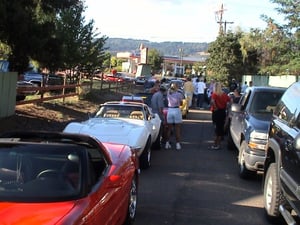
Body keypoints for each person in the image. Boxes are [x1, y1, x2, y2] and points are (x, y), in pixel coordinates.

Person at [210, 82, 231, 149]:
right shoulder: (224, 95)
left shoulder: (214, 94)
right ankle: (218, 143)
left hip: (216, 112)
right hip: (222, 111)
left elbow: (212, 101)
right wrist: (227, 107)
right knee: (220, 127)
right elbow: (230, 100)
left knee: (217, 128)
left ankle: (215, 144)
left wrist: (215, 107)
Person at [165, 83, 183, 150]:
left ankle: (167, 143)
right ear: (177, 88)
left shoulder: (168, 93)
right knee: (177, 128)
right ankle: (178, 144)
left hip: (170, 110)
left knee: (169, 128)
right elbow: (181, 103)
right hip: (176, 110)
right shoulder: (179, 94)